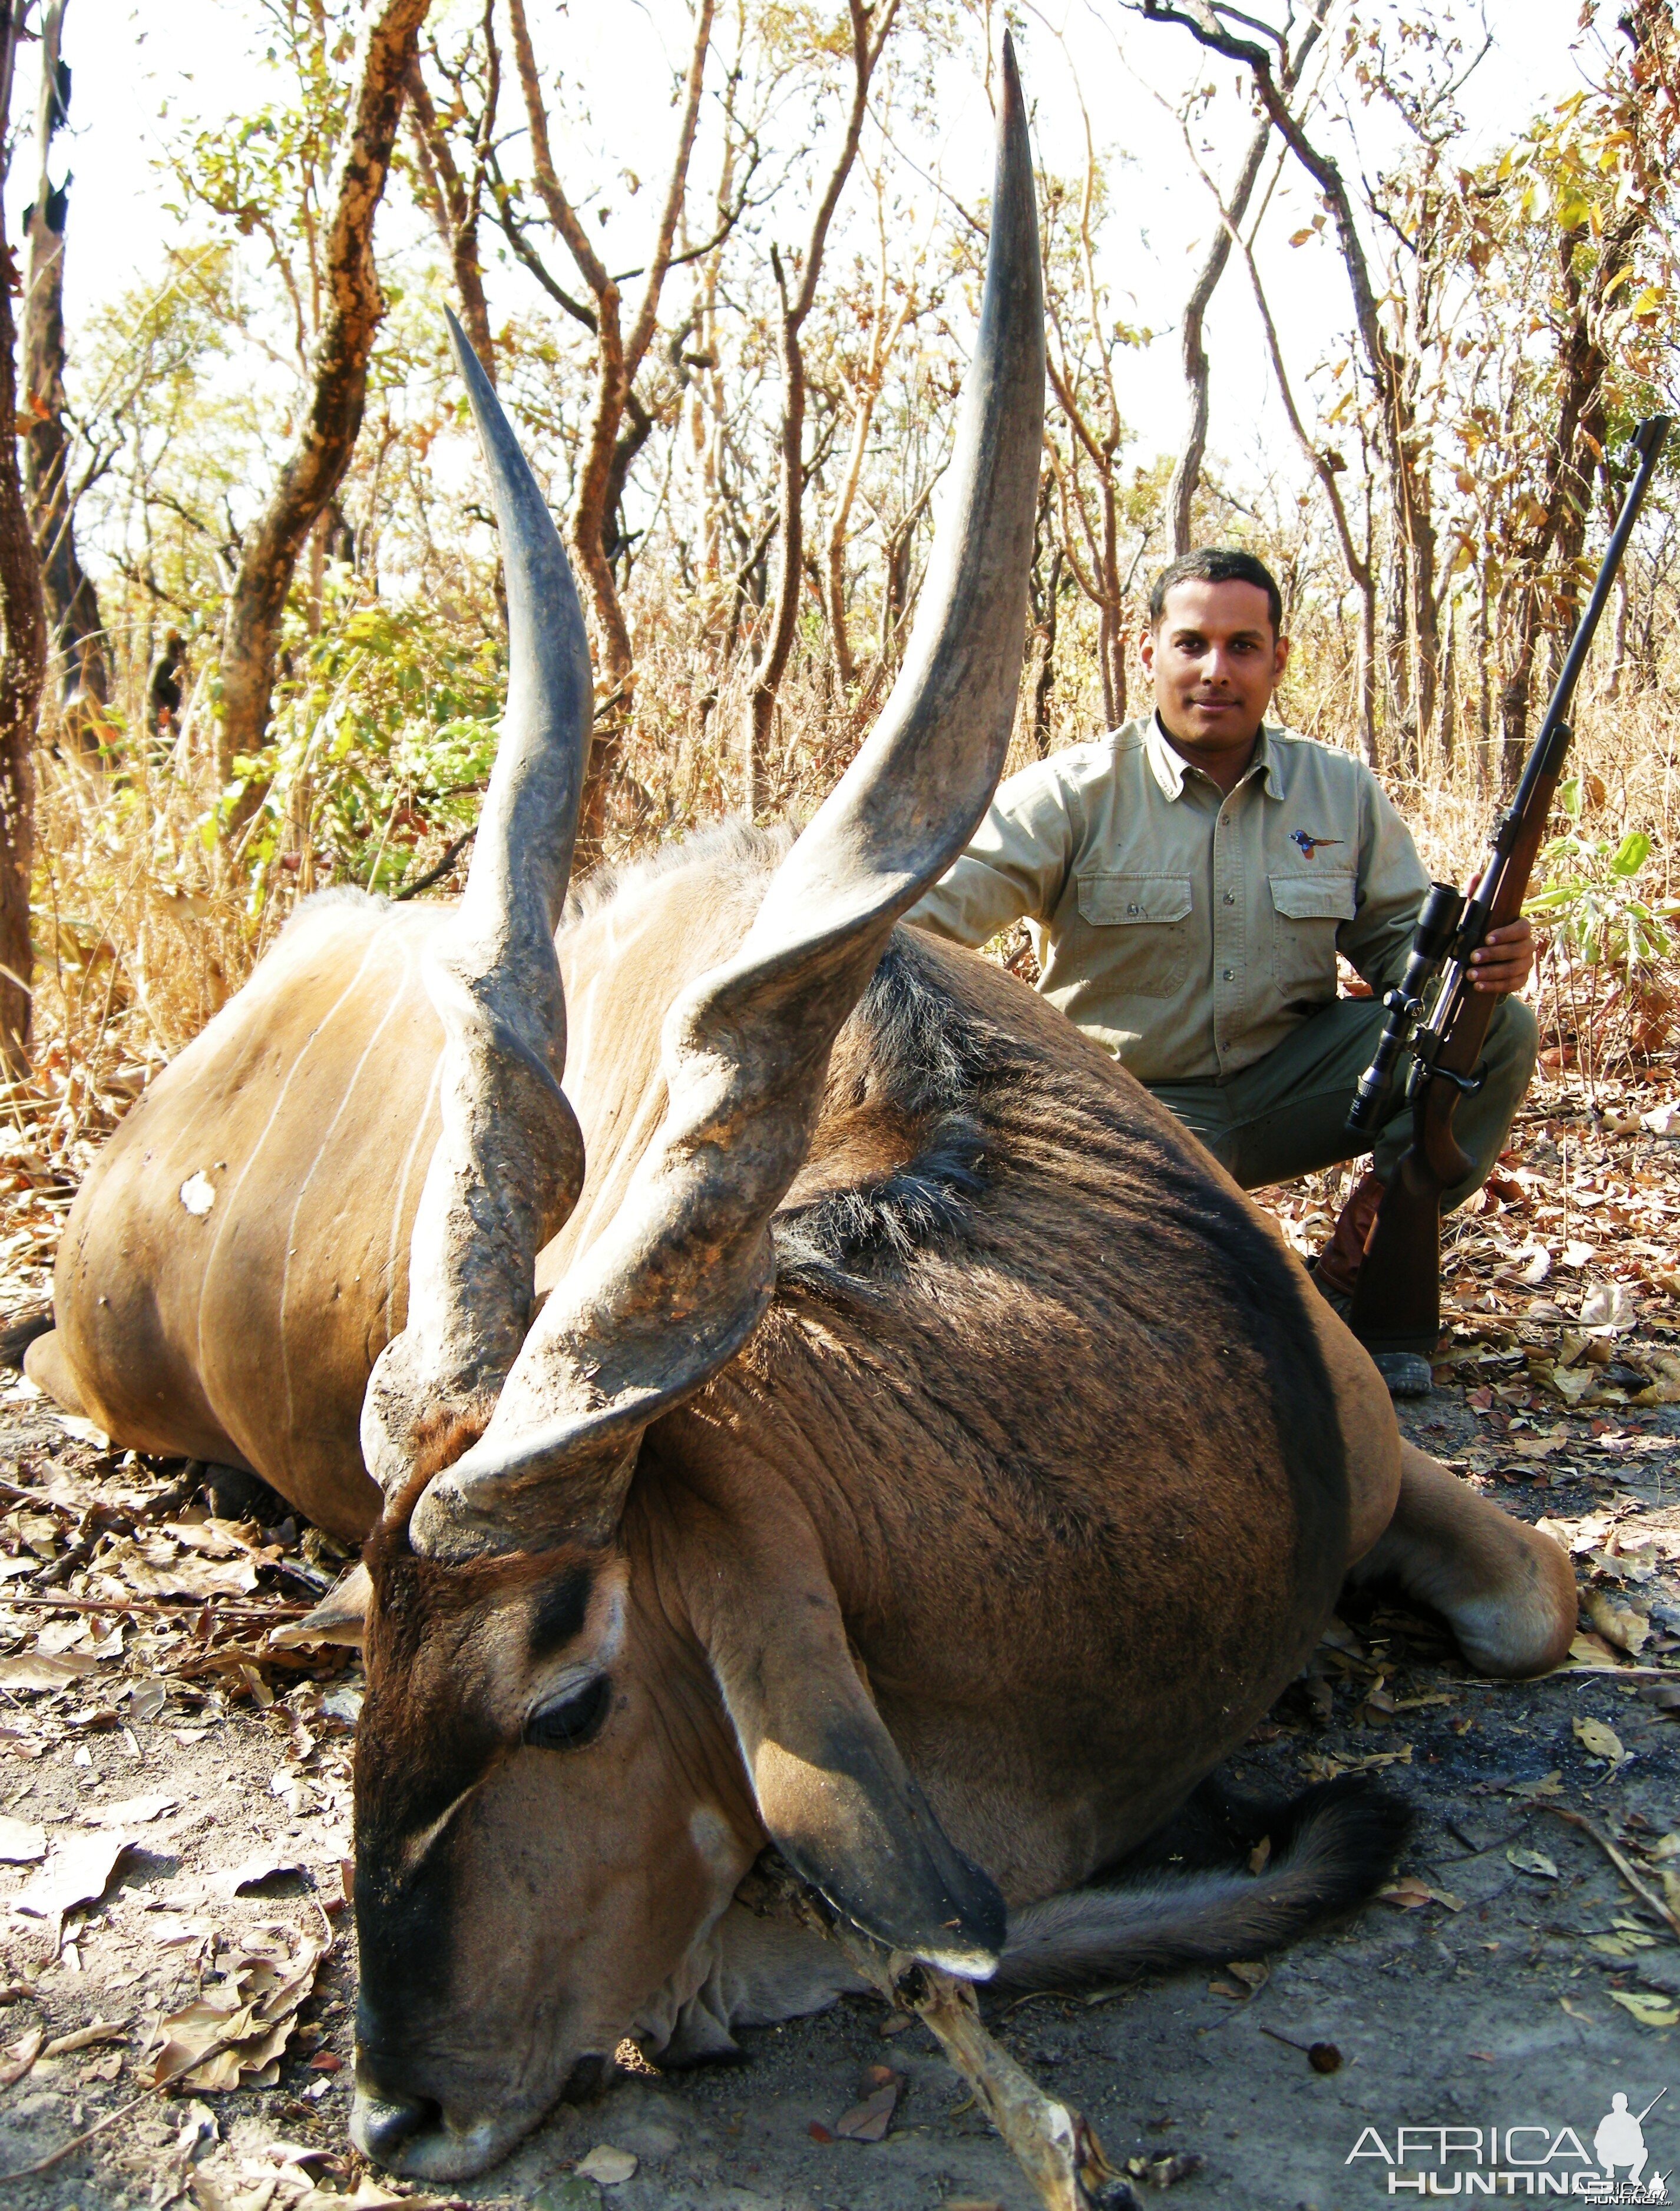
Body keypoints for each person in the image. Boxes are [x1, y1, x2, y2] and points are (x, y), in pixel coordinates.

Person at [907, 546, 1537, 1396]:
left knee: (1496, 1026)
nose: (1216, 670)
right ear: (1148, 652)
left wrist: (1483, 965)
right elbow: (923, 926)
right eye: (1192, 643)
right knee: (1173, 1325)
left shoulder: (1340, 791)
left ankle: (1369, 1263)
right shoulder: (1071, 794)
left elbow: (1400, 949)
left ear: (1279, 659)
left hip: (1296, 1084)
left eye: (1244, 646)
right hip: (1134, 1118)